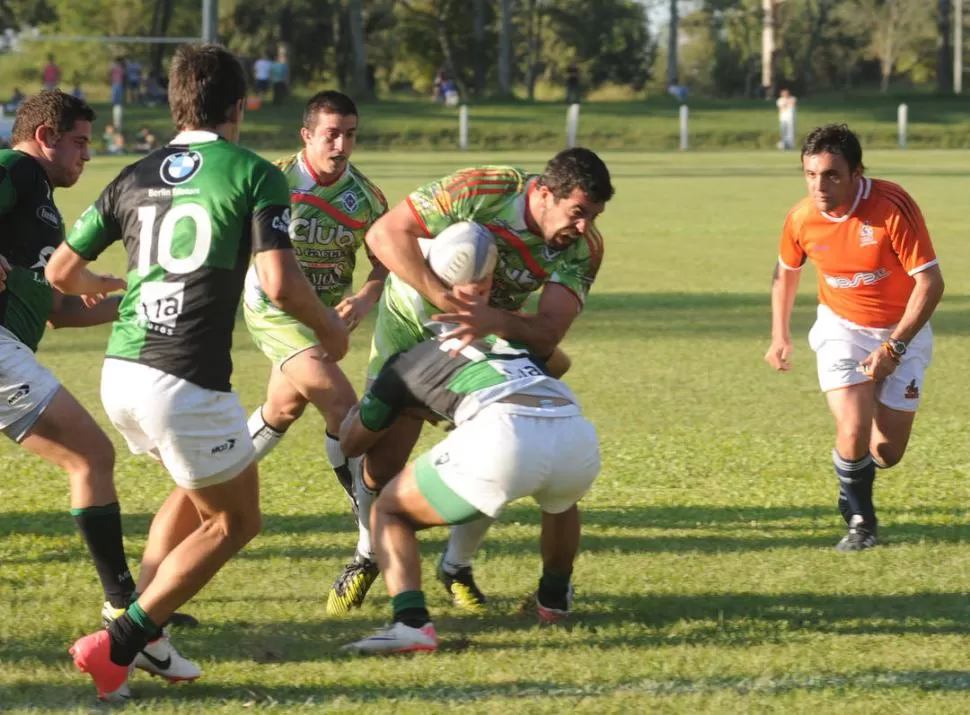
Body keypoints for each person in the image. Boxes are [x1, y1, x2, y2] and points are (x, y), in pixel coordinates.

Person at [46, 43, 349, 702]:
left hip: (121, 370)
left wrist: (113, 284)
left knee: (196, 486)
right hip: (182, 376)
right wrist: (329, 328)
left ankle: (141, 630)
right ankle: (120, 643)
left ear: (176, 102)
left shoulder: (132, 173)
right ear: (240, 106)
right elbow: (278, 279)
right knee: (235, 522)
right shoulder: (253, 172)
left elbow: (60, 274)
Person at [324, 147, 613, 616]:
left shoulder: (584, 247)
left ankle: (456, 565)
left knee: (499, 447)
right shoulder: (484, 189)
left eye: (594, 216)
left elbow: (548, 333)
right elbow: (384, 234)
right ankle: (367, 554)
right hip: (413, 324)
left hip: (488, 335)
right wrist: (446, 301)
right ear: (542, 194)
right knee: (382, 460)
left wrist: (489, 318)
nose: (584, 228)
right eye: (578, 212)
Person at [340, 268, 600, 654]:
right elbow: (558, 364)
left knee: (390, 512)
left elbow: (352, 441)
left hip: (503, 436)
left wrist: (406, 407)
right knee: (560, 500)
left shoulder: (408, 360)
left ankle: (411, 624)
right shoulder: (509, 334)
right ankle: (554, 601)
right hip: (574, 429)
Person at [765, 123, 944, 552]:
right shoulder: (801, 218)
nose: (819, 186)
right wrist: (779, 335)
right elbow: (786, 274)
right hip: (841, 327)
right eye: (810, 174)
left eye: (831, 175)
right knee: (853, 426)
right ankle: (861, 521)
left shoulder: (891, 207)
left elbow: (931, 283)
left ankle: (855, 477)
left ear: (857, 172)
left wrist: (893, 347)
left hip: (903, 330)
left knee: (886, 451)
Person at [243, 90, 388, 576]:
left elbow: (387, 257)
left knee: (281, 409)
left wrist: (368, 294)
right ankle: (371, 542)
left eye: (350, 134)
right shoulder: (272, 179)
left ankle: (211, 475)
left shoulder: (366, 197)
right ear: (307, 135)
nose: (341, 144)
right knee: (346, 411)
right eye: (331, 134)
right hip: (272, 307)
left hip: (323, 318)